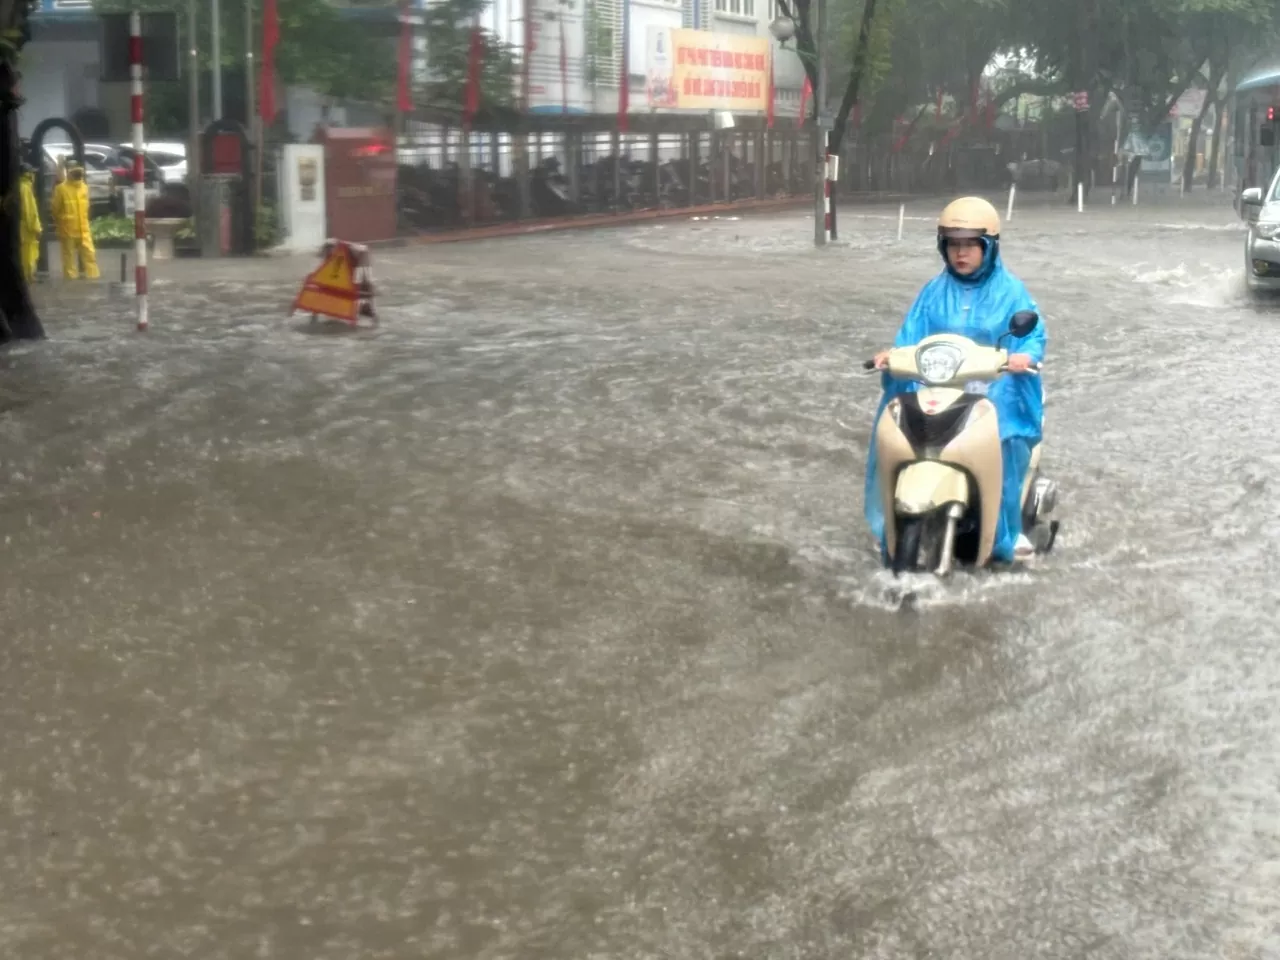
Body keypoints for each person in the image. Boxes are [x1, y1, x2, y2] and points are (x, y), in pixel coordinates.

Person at [864, 196, 1047, 562]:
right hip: (941, 388)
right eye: (953, 244)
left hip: (993, 390)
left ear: (989, 246)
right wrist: (893, 356)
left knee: (1005, 442)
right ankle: (893, 523)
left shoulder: (1011, 292)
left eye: (969, 244)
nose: (960, 253)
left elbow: (1033, 334)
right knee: (900, 429)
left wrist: (1024, 356)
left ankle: (1007, 533)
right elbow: (910, 337)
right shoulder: (933, 291)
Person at [50, 161, 99, 280]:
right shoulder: (61, 189)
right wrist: (62, 221)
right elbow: (55, 209)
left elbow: (86, 207)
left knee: (89, 255)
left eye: (78, 172)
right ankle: (71, 280)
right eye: (75, 172)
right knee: (69, 257)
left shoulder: (84, 188)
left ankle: (93, 277)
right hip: (68, 229)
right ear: (69, 173)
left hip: (82, 228)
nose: (78, 175)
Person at [18, 161, 40, 282]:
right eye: (32, 173)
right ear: (28, 174)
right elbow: (29, 211)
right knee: (28, 253)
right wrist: (36, 228)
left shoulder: (20, 187)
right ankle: (27, 277)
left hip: (22, 228)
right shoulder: (25, 188)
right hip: (27, 229)